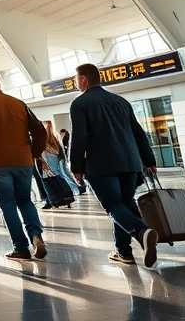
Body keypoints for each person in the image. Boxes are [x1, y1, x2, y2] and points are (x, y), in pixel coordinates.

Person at [69, 63, 159, 267]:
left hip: (101, 165)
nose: (76, 83)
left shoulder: (80, 104)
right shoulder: (121, 101)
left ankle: (141, 232)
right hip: (129, 161)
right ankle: (124, 252)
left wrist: (76, 166)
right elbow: (138, 132)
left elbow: (80, 137)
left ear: (83, 79)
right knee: (125, 204)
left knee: (113, 206)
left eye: (76, 79)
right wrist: (149, 160)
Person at [0, 72, 48, 262]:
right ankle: (35, 234)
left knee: (8, 205)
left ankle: (20, 247)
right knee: (25, 200)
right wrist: (34, 153)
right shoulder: (18, 104)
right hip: (23, 161)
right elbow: (40, 131)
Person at [39, 120, 80, 208]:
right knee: (58, 176)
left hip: (47, 158)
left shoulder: (44, 138)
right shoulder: (53, 138)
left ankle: (55, 200)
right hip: (54, 157)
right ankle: (65, 198)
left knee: (50, 179)